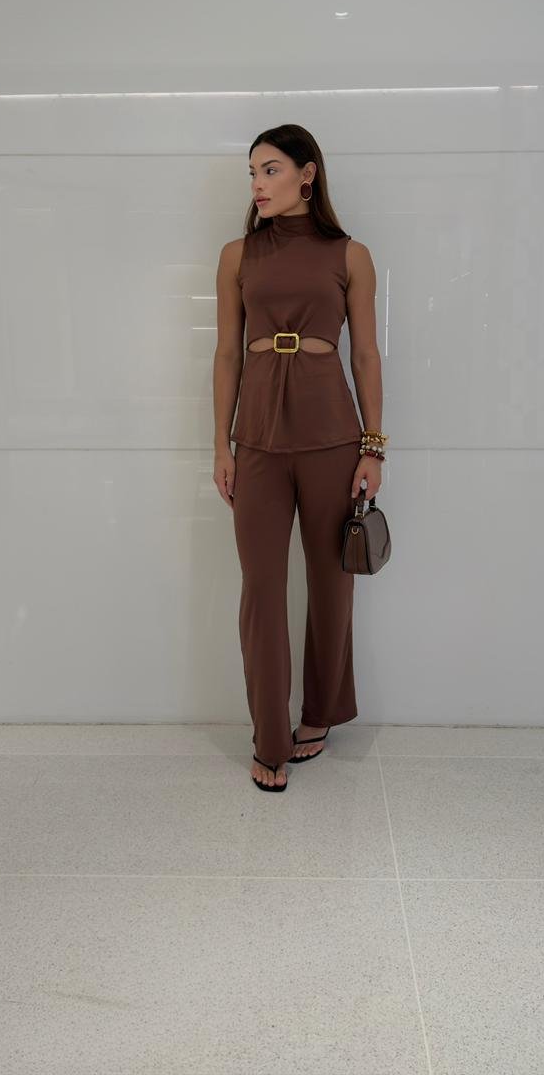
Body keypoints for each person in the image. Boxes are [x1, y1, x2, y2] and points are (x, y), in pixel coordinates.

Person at [212, 124, 387, 791]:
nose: (258, 184)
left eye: (271, 169)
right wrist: (221, 443)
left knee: (331, 583)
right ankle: (269, 735)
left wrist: (373, 446)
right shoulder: (237, 255)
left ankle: (320, 713)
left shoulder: (350, 255)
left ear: (307, 174)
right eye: (253, 172)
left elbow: (364, 354)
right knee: (260, 590)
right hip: (257, 441)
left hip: (332, 438)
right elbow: (227, 354)